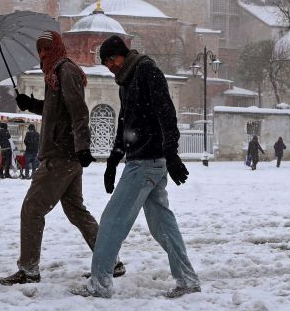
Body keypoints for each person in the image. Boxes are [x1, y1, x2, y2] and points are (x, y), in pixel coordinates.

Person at [73, 35, 200, 299]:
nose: (110, 66)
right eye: (105, 62)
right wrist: (112, 161)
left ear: (123, 54)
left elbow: (167, 112)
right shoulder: (126, 80)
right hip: (145, 162)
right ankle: (187, 280)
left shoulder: (146, 71)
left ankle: (100, 283)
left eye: (111, 60)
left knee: (112, 221)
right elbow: (125, 123)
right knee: (162, 226)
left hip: (146, 162)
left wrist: (172, 154)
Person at [0, 30, 120, 285]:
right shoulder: (54, 74)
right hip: (65, 154)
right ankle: (111, 262)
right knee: (75, 210)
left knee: (32, 209)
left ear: (56, 48)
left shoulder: (65, 71)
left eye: (46, 49)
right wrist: (29, 103)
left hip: (61, 155)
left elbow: (78, 110)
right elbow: (56, 109)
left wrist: (83, 146)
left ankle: (29, 269)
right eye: (39, 49)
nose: (42, 54)